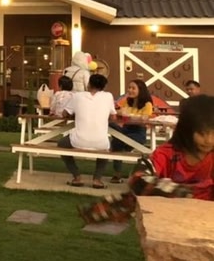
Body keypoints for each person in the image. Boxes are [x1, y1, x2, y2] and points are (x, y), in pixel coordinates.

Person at [78, 94, 214, 224]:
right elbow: (138, 179)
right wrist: (184, 193)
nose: (209, 140)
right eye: (202, 133)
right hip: (169, 221)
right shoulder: (167, 154)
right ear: (186, 129)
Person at [60, 73, 115, 189]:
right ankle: (97, 179)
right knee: (106, 145)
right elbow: (113, 117)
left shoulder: (77, 96)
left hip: (78, 141)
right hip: (100, 142)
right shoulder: (108, 96)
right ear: (104, 86)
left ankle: (77, 176)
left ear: (89, 84)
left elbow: (64, 113)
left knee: (61, 144)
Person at [109, 79, 153, 183]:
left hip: (138, 132)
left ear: (140, 90)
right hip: (125, 130)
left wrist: (129, 116)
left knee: (116, 142)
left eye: (133, 88)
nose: (130, 90)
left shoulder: (147, 104)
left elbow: (144, 119)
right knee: (111, 127)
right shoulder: (127, 101)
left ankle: (117, 174)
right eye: (129, 87)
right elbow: (118, 111)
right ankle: (118, 173)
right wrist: (121, 113)